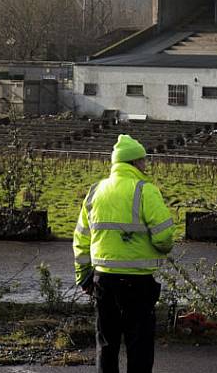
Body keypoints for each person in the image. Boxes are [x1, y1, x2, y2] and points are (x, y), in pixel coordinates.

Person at [72, 134, 175, 373]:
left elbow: (80, 238)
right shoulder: (145, 190)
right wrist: (160, 248)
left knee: (107, 344)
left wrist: (83, 276)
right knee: (139, 346)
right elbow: (164, 237)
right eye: (143, 161)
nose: (145, 165)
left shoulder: (96, 190)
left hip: (104, 280)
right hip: (138, 282)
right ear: (135, 162)